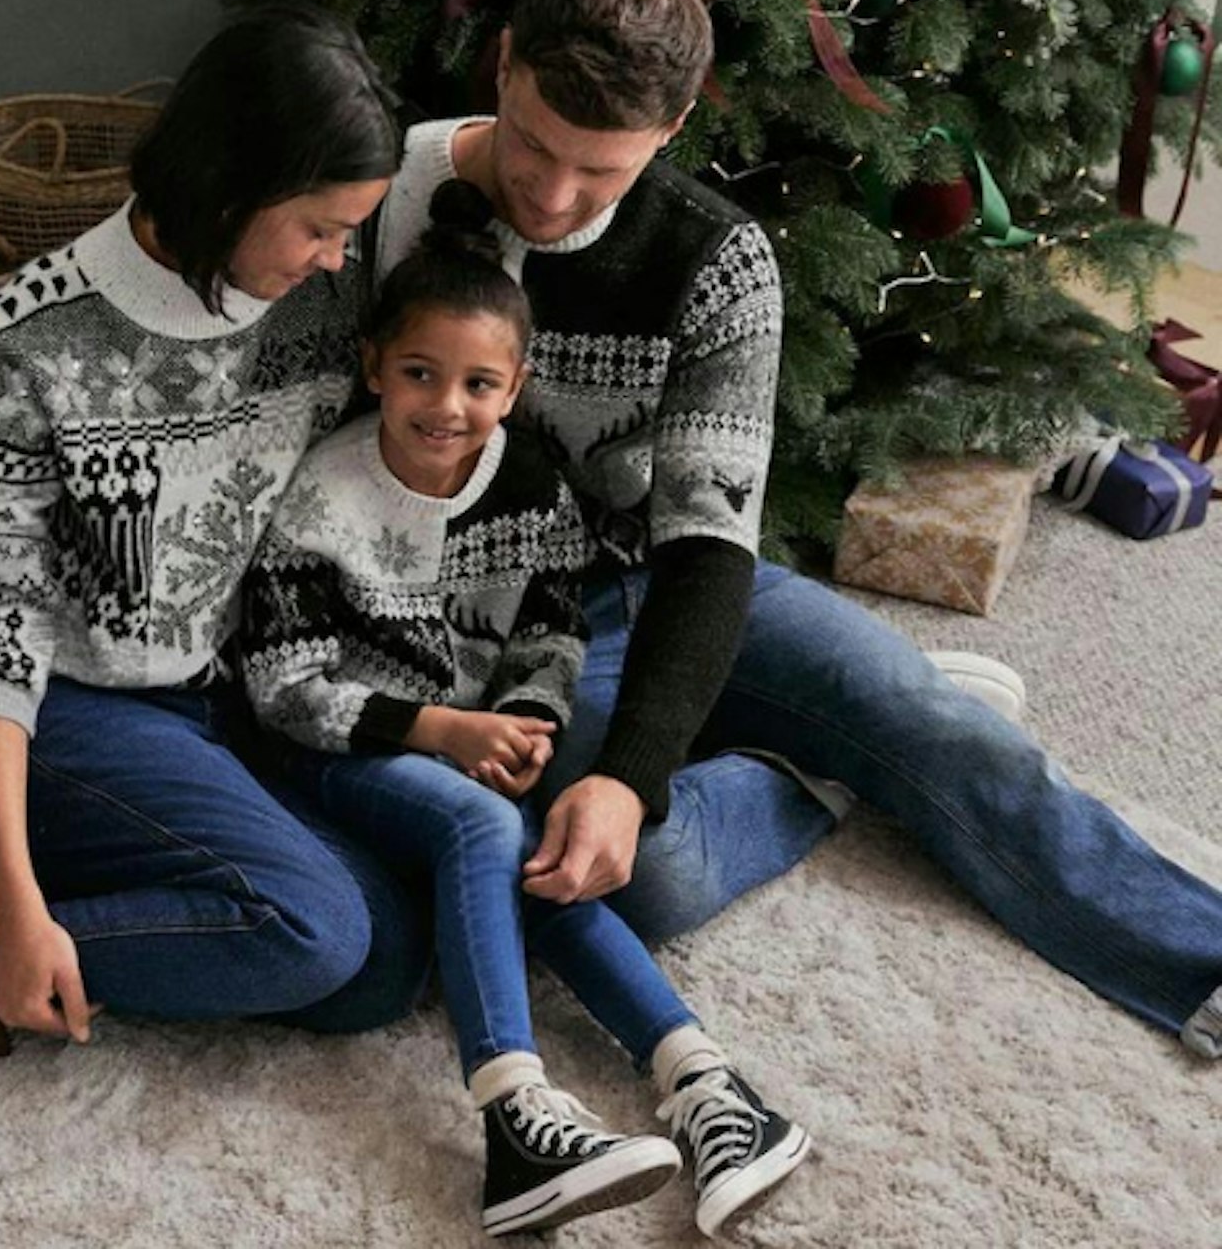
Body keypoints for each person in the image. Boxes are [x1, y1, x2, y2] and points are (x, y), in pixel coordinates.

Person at [369, 0, 1222, 1072]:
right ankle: (810, 774)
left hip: (664, 575)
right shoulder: (389, 196)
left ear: (672, 131)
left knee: (939, 728)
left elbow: (710, 548)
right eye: (533, 144)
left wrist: (633, 773)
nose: (552, 194)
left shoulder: (719, 260)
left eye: (602, 170)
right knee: (639, 877)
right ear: (506, 60)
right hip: (502, 628)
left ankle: (1202, 963)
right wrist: (625, 786)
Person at [238, 180, 811, 1239]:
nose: (445, 406)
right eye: (418, 373)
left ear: (517, 386)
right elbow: (282, 684)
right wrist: (441, 733)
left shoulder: (532, 484)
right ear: (374, 366)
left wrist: (529, 723)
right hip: (331, 745)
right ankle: (513, 1119)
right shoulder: (322, 495)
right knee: (478, 826)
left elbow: (553, 631)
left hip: (468, 739)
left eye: (477, 383)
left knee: (538, 842)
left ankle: (707, 1085)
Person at [0, 2, 434, 1043]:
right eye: (319, 228)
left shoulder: (318, 303)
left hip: (235, 694)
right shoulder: (16, 343)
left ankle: (91, 897)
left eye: (349, 233)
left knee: (387, 960)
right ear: (230, 183)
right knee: (314, 934)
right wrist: (14, 897)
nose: (337, 258)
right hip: (75, 709)